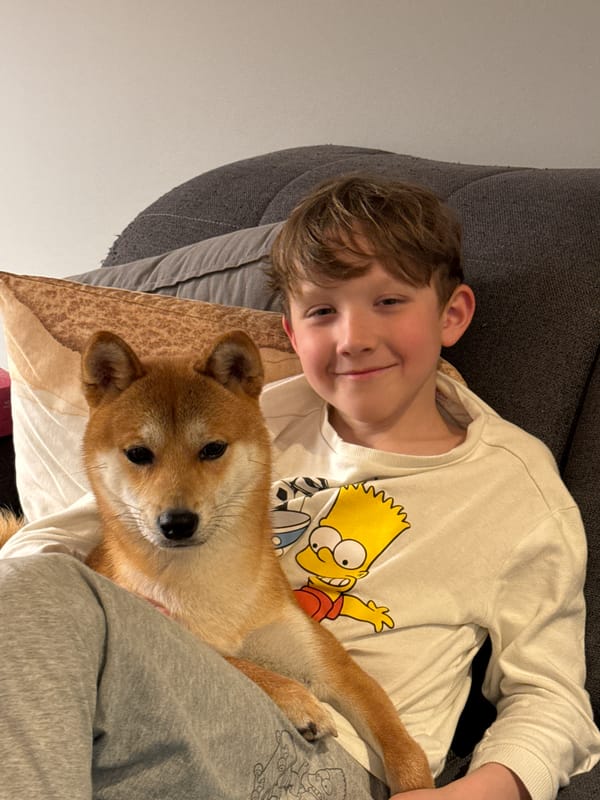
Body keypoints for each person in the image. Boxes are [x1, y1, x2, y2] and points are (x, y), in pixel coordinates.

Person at [1, 175, 599, 800]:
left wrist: (475, 792)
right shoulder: (258, 412)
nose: (354, 337)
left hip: (335, 760)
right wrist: (103, 610)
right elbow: (56, 545)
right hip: (173, 710)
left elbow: (552, 697)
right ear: (290, 333)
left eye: (389, 302)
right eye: (322, 311)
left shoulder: (512, 485)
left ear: (452, 315)